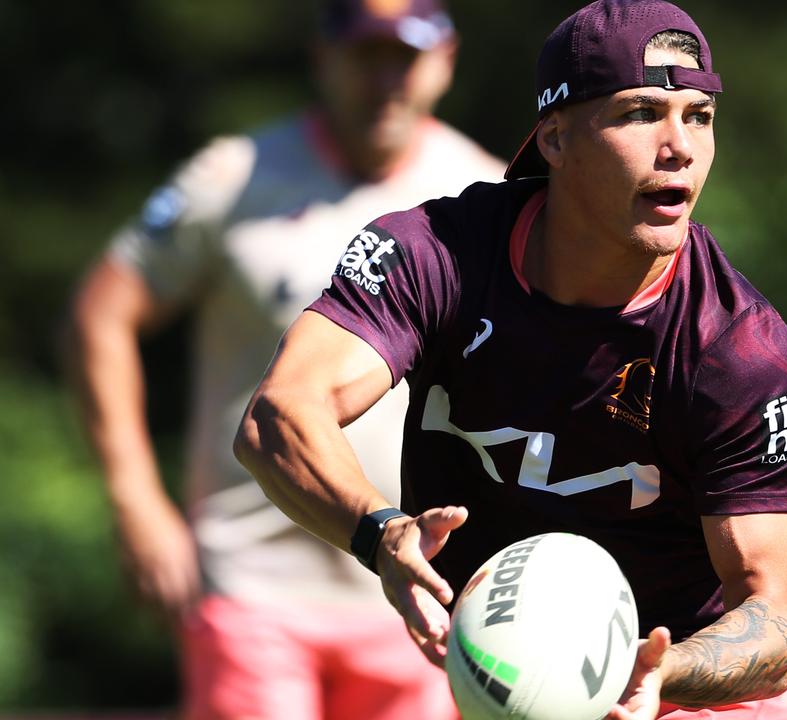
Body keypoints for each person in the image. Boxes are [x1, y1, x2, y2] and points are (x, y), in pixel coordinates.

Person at [233, 0, 787, 717]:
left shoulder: (741, 355)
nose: (679, 146)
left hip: (705, 675)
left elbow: (776, 624)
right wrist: (381, 535)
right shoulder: (435, 257)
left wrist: (654, 670)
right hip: (523, 672)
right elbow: (280, 416)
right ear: (556, 139)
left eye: (699, 115)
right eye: (639, 113)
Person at [67, 0, 505, 717]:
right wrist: (137, 500)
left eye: (407, 56)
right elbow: (101, 313)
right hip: (251, 588)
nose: (386, 80)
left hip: (419, 599)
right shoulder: (232, 178)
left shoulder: (485, 199)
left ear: (446, 62)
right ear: (324, 57)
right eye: (367, 55)